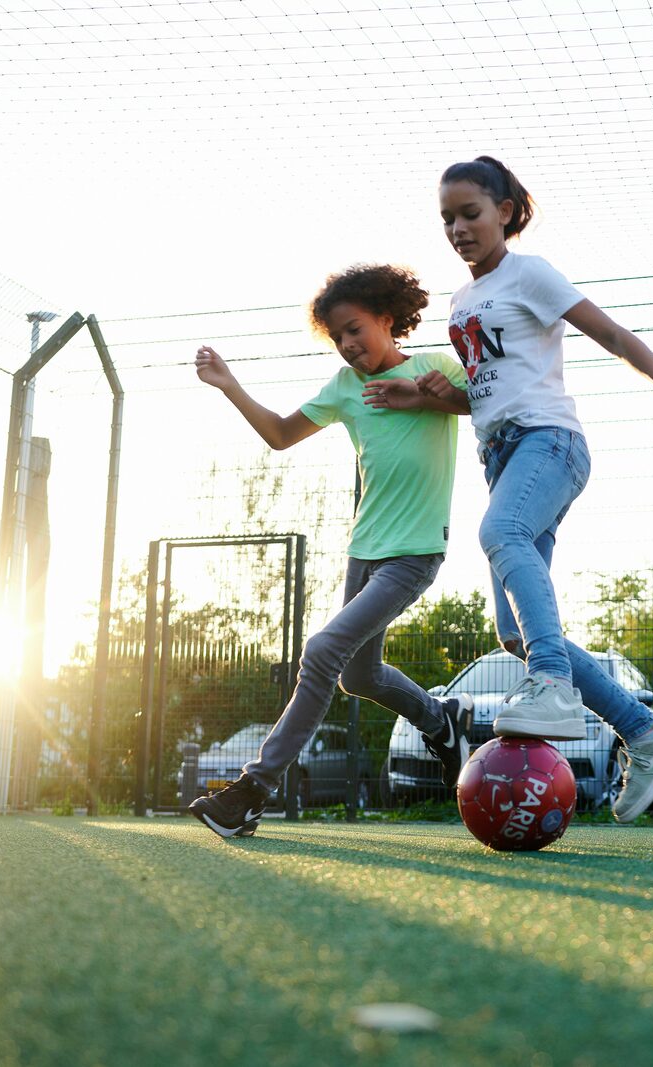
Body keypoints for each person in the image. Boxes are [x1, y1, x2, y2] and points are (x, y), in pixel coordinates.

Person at [368, 156, 653, 823]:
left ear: (505, 211)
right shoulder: (462, 302)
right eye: (447, 217)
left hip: (550, 443)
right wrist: (425, 398)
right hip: (504, 455)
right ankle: (647, 733)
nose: (458, 227)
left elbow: (611, 333)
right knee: (513, 632)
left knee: (499, 535)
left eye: (470, 213)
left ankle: (555, 686)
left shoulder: (528, 274)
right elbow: (488, 395)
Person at [187, 263, 472, 838]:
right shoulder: (346, 389)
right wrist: (230, 385)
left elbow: (479, 405)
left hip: (415, 553)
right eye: (337, 336)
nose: (347, 344)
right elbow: (280, 434)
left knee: (322, 652)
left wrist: (424, 395)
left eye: (355, 329)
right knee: (358, 677)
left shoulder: (436, 367)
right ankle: (442, 722)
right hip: (364, 551)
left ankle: (252, 790)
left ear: (387, 320)